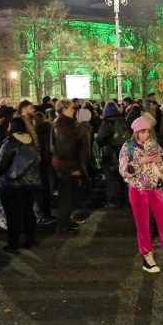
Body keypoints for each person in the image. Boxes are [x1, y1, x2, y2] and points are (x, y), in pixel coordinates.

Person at [118, 114, 163, 273]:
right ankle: (146, 256)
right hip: (138, 189)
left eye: (148, 131)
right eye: (142, 131)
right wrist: (141, 162)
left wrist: (159, 161)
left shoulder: (155, 145)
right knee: (143, 224)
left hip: (156, 188)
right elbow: (124, 171)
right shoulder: (128, 146)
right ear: (136, 132)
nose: (146, 135)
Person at [0, 116, 41, 251]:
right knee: (28, 211)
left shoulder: (10, 143)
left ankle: (13, 243)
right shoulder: (32, 141)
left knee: (12, 214)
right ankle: (30, 240)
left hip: (12, 184)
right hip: (30, 183)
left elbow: (0, 164)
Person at [51, 100, 88, 234]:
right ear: (64, 109)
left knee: (68, 197)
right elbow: (65, 149)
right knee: (66, 198)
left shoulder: (64, 123)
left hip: (65, 165)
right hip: (67, 167)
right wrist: (73, 168)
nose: (74, 110)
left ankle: (66, 222)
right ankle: (63, 226)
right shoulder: (63, 125)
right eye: (72, 108)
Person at [96, 101, 129, 209]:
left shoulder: (107, 122)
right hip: (124, 153)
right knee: (123, 178)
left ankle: (113, 201)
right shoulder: (123, 120)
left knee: (111, 179)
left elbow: (100, 139)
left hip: (111, 154)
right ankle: (126, 200)